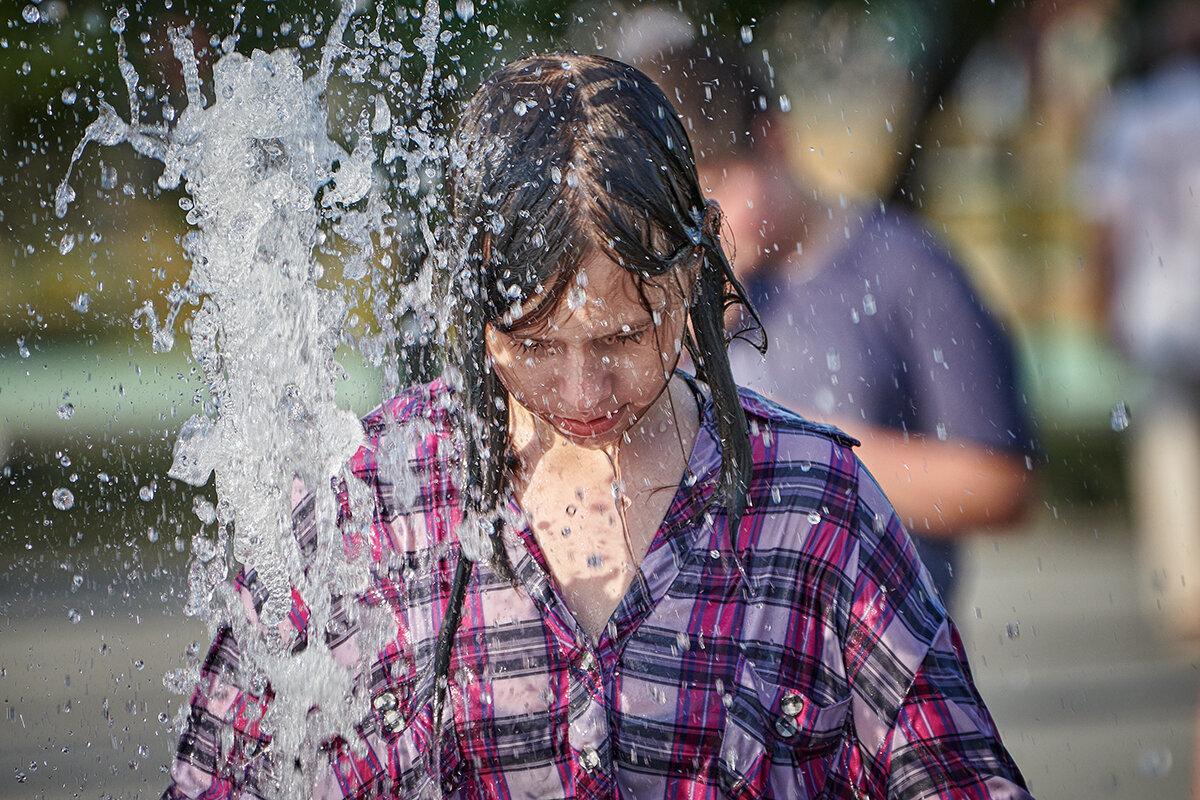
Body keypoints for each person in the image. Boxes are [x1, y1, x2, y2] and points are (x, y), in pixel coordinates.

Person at [163, 53, 1031, 799]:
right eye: (535, 344)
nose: (583, 388)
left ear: (693, 274)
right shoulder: (373, 501)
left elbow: (958, 775)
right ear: (470, 307)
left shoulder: (808, 506)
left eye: (623, 335)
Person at [619, 33, 1035, 606]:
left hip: (880, 640)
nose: (701, 227)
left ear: (775, 143)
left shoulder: (908, 271)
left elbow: (1002, 481)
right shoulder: (692, 287)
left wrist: (801, 455)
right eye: (676, 205)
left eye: (715, 186)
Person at [1078, 0, 1200, 642]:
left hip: (1158, 306)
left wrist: (1102, 299)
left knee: (1169, 443)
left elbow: (1108, 220)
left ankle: (1188, 591)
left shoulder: (1130, 114)